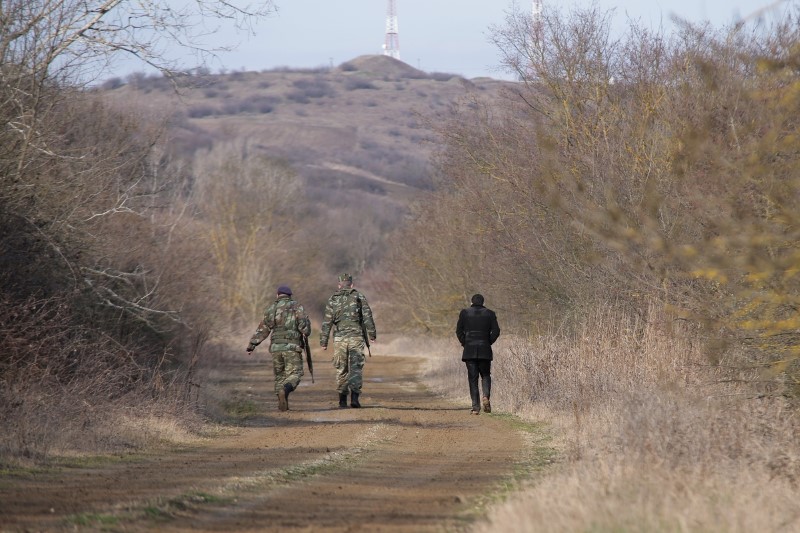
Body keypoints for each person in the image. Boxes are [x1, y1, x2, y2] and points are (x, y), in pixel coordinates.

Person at [246, 285, 311, 412]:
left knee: (279, 376)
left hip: (276, 348)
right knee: (295, 373)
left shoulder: (271, 308)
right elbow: (305, 329)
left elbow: (263, 329)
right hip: (292, 347)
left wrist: (252, 345)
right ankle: (285, 391)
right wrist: (306, 328)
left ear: (277, 295)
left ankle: (282, 402)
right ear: (290, 296)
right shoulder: (297, 307)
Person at [320, 273, 377, 408]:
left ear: (339, 285)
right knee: (355, 367)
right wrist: (372, 335)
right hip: (356, 337)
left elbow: (327, 322)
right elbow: (367, 316)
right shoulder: (359, 296)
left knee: (341, 368)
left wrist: (324, 342)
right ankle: (355, 399)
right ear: (352, 285)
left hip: (340, 338)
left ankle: (342, 400)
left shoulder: (333, 299)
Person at [456, 294, 500, 415]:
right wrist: (488, 341)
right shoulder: (490, 313)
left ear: (471, 302)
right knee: (485, 375)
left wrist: (465, 342)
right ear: (483, 302)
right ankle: (485, 396)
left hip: (469, 351)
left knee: (472, 379)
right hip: (485, 349)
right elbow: (496, 331)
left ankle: (475, 408)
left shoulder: (464, 313)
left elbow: (458, 331)